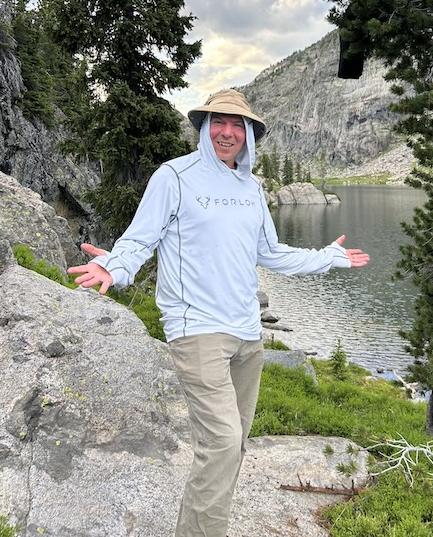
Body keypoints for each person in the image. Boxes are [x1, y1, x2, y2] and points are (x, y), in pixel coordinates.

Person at [68, 89, 370, 537]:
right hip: (197, 331)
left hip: (248, 335)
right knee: (223, 443)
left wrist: (327, 257)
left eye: (237, 125)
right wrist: (115, 265)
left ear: (249, 134)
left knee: (232, 445)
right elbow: (141, 237)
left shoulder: (251, 188)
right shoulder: (175, 176)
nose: (227, 133)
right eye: (218, 122)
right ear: (204, 126)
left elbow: (271, 252)